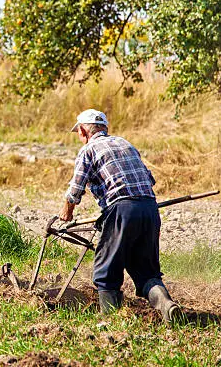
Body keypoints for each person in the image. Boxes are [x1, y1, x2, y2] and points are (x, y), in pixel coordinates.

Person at [59, 109, 181, 322]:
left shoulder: (89, 149)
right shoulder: (126, 144)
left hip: (122, 210)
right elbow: (149, 180)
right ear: (104, 128)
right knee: (146, 270)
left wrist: (66, 212)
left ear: (82, 131)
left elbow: (76, 188)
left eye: (78, 133)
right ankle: (165, 304)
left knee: (106, 270)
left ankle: (112, 320)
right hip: (149, 208)